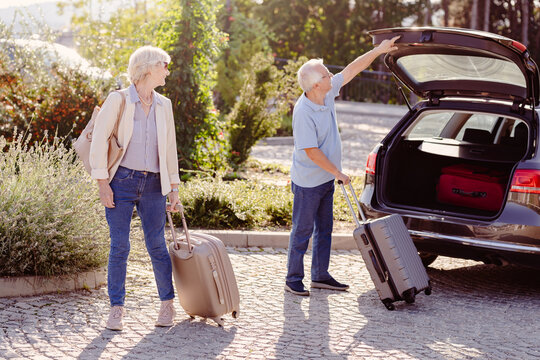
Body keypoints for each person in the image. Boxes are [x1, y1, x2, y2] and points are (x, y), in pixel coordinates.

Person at [285, 36, 400, 296]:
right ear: (316, 84)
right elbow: (311, 151)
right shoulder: (303, 111)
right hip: (308, 182)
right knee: (302, 231)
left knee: (325, 228)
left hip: (326, 178)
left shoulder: (327, 92)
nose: (331, 76)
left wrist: (379, 50)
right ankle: (293, 279)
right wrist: (337, 172)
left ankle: (320, 276)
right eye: (326, 75)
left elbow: (351, 69)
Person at [89, 46, 181, 329]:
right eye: (164, 65)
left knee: (157, 245)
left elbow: (169, 150)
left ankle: (167, 305)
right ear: (148, 67)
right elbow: (98, 141)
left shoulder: (164, 105)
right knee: (120, 246)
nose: (167, 70)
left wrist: (173, 188)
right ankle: (116, 309)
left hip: (154, 184)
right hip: (122, 182)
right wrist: (103, 184)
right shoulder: (119, 100)